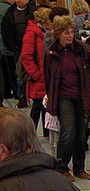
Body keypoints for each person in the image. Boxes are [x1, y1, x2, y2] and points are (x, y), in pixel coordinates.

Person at [44, 15, 90, 181]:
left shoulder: (81, 49)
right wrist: (51, 97)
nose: (70, 35)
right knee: (68, 133)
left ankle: (79, 168)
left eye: (71, 32)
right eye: (66, 33)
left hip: (82, 96)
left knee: (81, 134)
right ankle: (62, 167)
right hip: (64, 97)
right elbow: (48, 77)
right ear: (58, 34)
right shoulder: (51, 53)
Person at [20, 6, 49, 135]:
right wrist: (36, 74)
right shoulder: (31, 34)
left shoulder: (41, 33)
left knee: (44, 106)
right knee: (37, 106)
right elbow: (26, 57)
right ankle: (30, 134)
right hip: (38, 77)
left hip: (43, 76)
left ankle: (47, 132)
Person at [1, 0, 36, 108]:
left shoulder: (33, 11)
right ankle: (21, 97)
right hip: (17, 48)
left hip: (32, 47)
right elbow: (5, 30)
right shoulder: (10, 12)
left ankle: (35, 96)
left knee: (34, 71)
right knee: (19, 73)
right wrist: (11, 46)